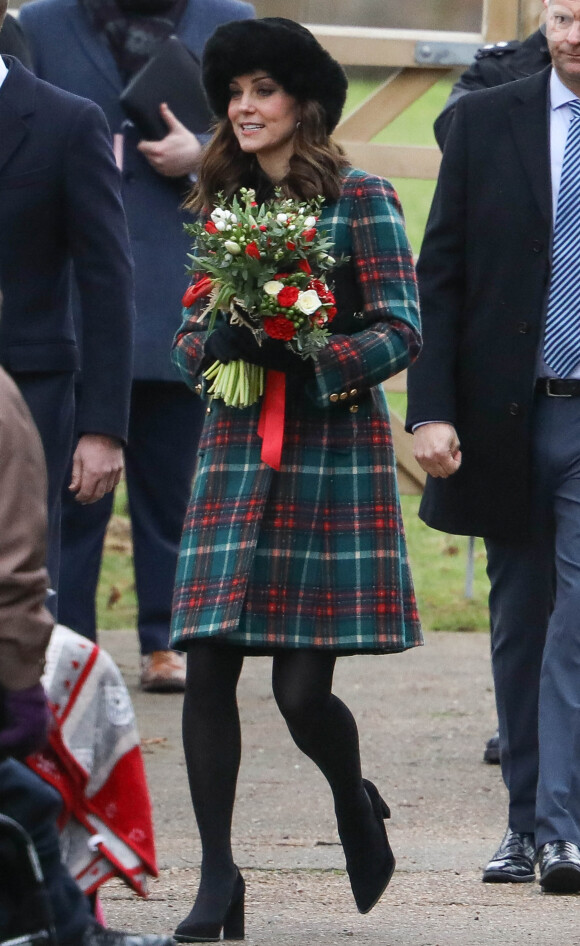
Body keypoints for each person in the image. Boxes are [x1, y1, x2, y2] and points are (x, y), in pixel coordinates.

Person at [169, 17, 422, 940]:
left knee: (300, 695)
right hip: (235, 457)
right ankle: (218, 879)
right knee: (206, 667)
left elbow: (400, 326)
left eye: (264, 91)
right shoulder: (217, 204)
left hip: (327, 461)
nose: (244, 106)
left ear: (303, 105)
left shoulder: (363, 197)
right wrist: (216, 345)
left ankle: (353, 798)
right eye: (234, 92)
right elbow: (186, 328)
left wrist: (304, 353)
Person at [19, 0, 254, 693]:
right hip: (70, 289)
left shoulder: (226, 22)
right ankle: (69, 645)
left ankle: (166, 641)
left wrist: (204, 155)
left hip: (184, 282)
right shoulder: (40, 24)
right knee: (69, 494)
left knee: (171, 486)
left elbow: (285, 138)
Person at [407, 0, 580, 894]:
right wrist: (430, 409)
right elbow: (440, 274)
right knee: (520, 622)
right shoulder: (482, 122)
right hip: (509, 415)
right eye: (564, 13)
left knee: (575, 626)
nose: (576, 33)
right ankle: (523, 823)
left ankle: (560, 828)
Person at [0, 310, 172, 945]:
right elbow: (14, 575)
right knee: (26, 793)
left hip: (116, 357)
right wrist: (19, 688)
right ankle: (67, 928)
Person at [0, 0, 134, 609]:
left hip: (27, 393)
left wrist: (103, 427)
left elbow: (107, 283)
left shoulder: (67, 122)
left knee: (19, 588)